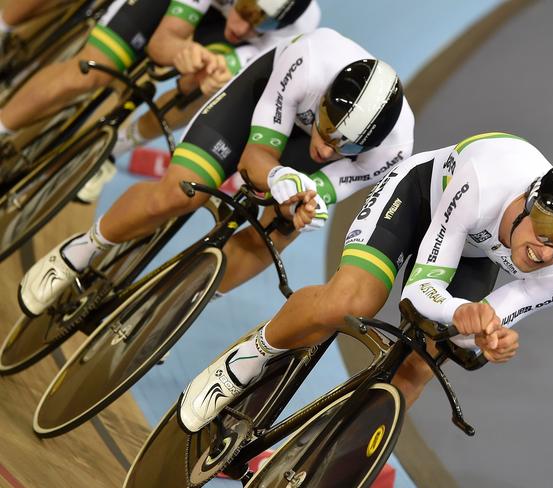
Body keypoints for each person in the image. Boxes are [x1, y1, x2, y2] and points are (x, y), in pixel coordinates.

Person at [176, 132, 553, 433]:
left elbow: (482, 323)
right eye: (545, 235)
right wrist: (459, 313)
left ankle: (326, 450)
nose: (547, 254)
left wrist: (487, 336)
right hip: (421, 199)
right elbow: (420, 291)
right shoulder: (487, 179)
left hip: (471, 251)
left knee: (424, 361)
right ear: (527, 202)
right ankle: (250, 357)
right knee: (352, 300)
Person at [17, 28, 415, 321]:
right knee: (179, 193)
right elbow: (255, 156)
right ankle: (80, 251)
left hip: (304, 152)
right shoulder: (309, 63)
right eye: (327, 129)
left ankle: (175, 313)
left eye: (346, 147)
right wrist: (277, 177)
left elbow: (318, 191)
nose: (327, 149)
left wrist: (304, 203)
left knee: (278, 230)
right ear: (324, 97)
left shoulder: (393, 150)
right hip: (259, 105)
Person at [0, 0, 320, 201]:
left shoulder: (296, 32)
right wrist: (180, 51)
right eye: (246, 11)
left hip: (226, 38)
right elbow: (163, 41)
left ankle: (116, 148)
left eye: (259, 23)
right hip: (180, 8)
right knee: (91, 72)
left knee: (206, 87)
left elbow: (219, 77)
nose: (242, 27)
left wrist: (202, 70)